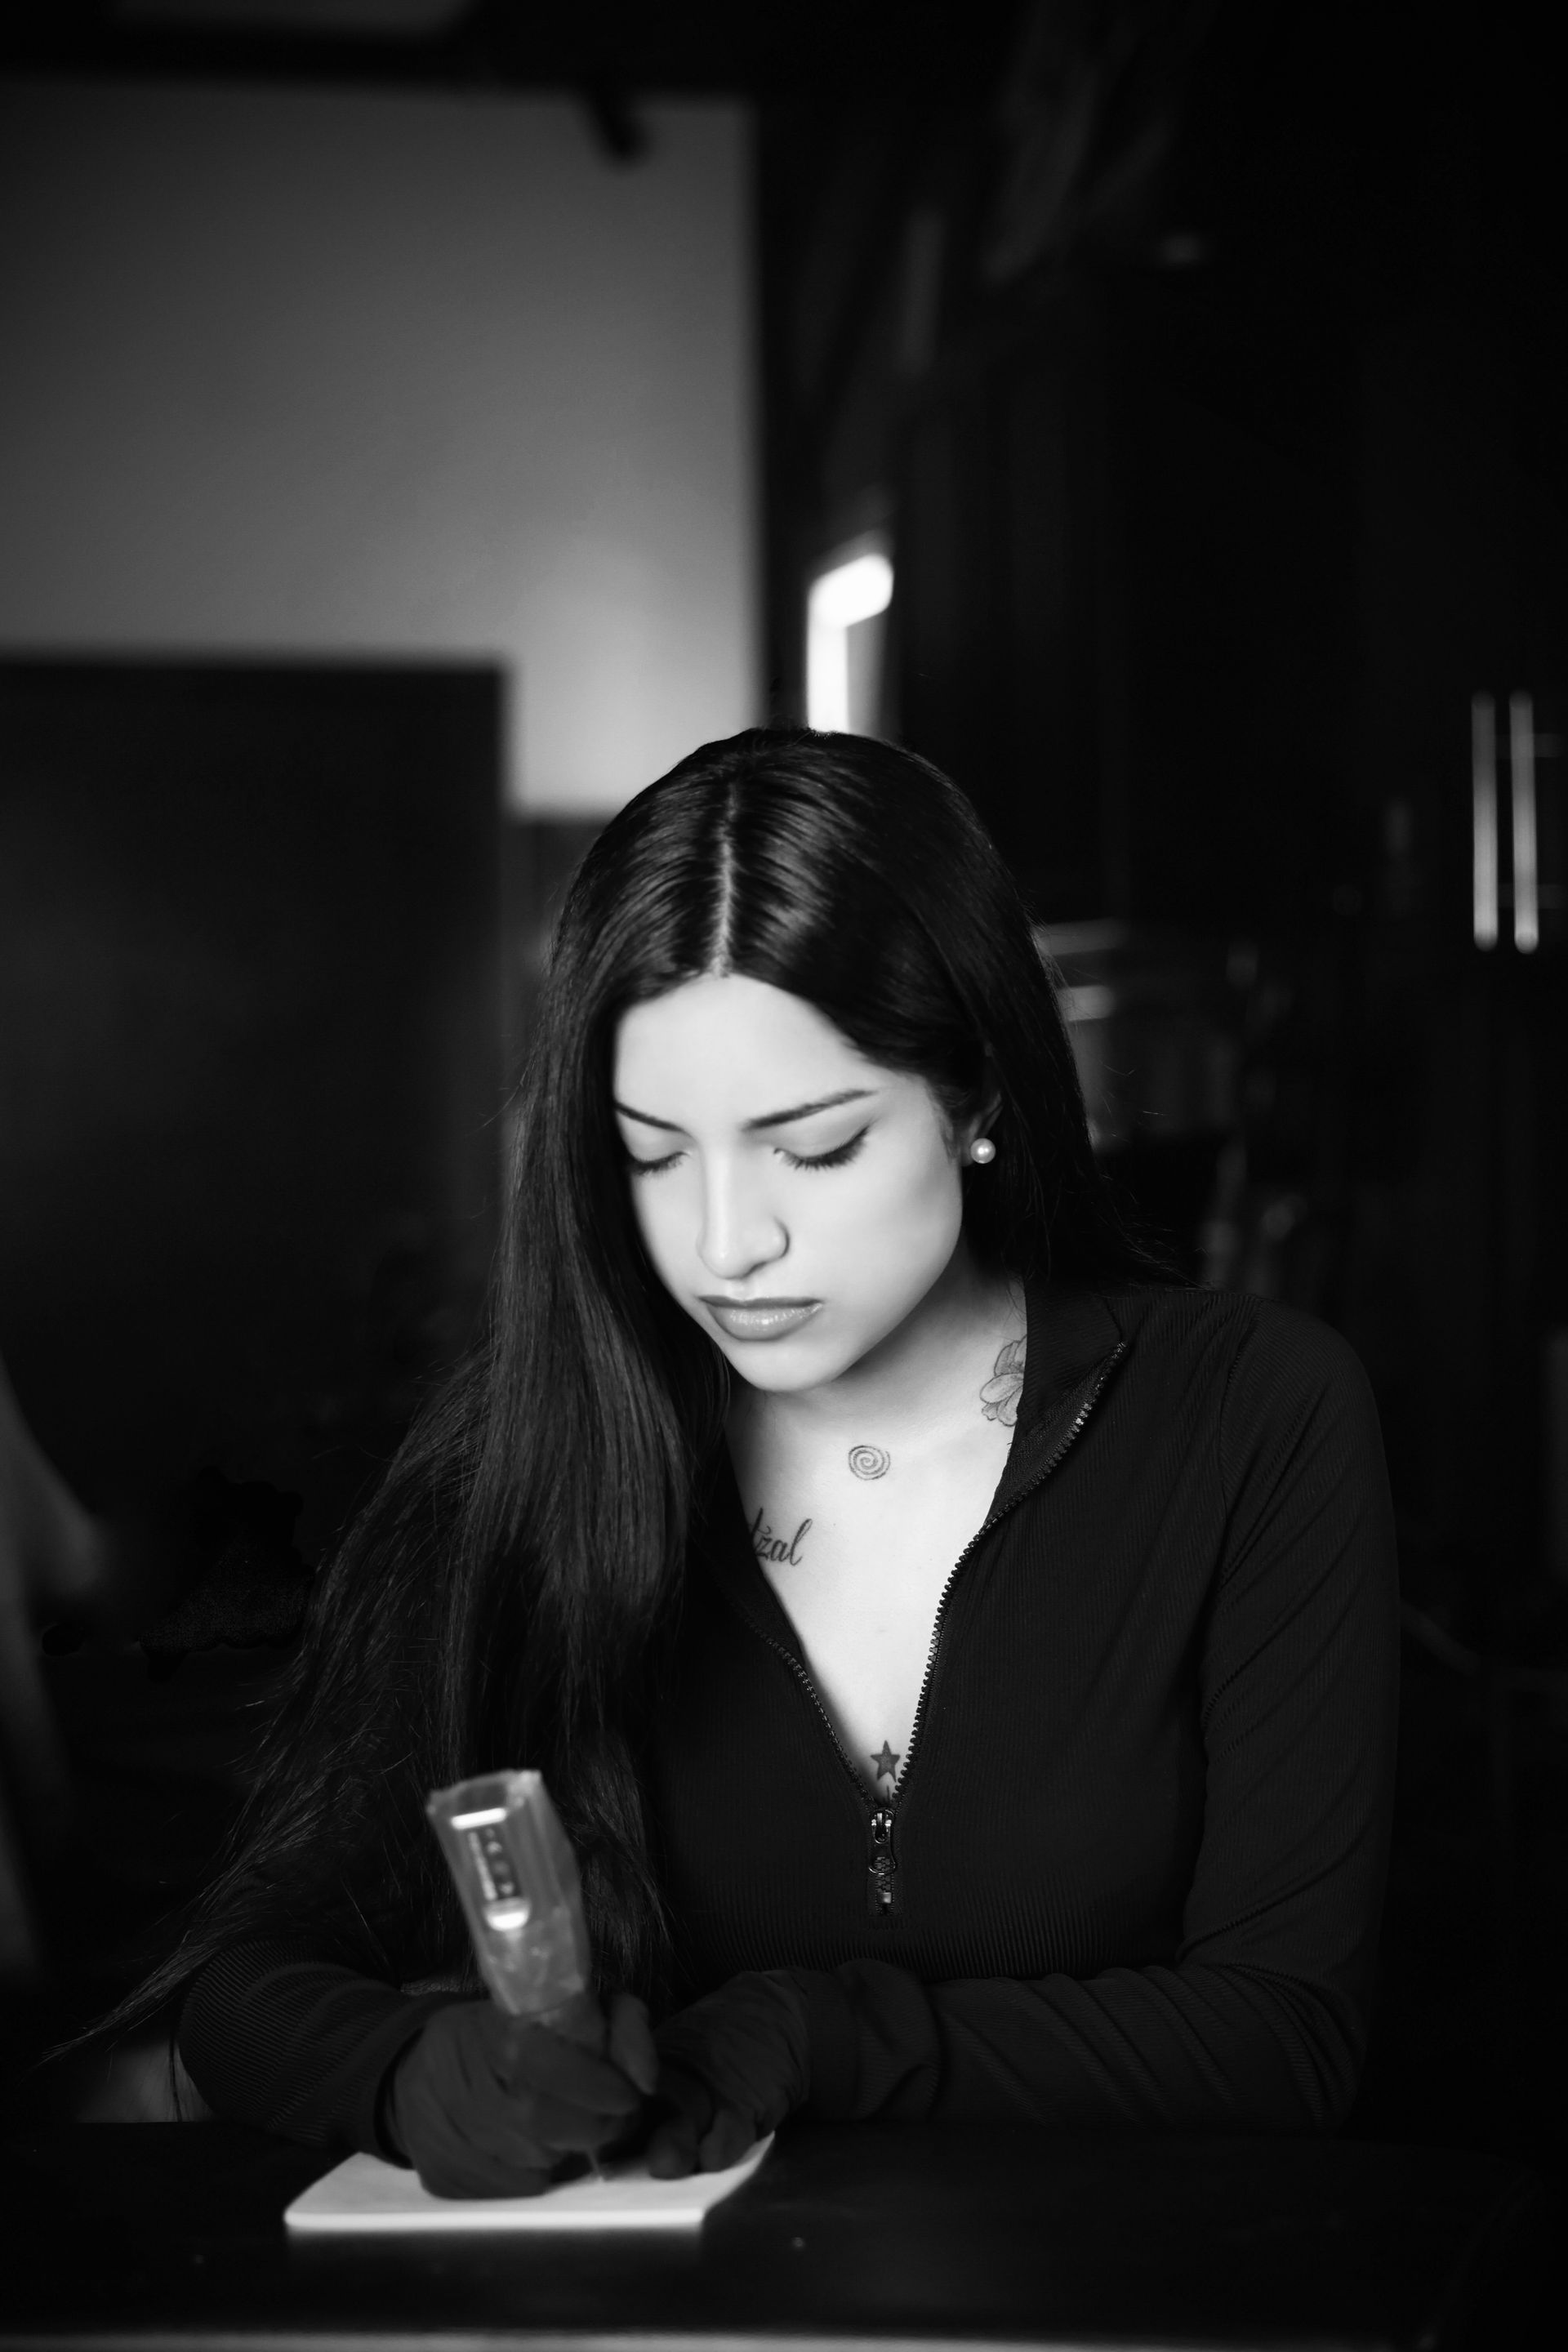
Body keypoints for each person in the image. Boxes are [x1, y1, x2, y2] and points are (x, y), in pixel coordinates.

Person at [114, 728, 1399, 2193]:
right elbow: (239, 1984)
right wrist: (406, 2072)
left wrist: (816, 2033)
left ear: (978, 1092)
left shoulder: (1253, 1418)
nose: (727, 1244)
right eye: (653, 1155)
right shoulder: (530, 1458)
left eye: (815, 1146)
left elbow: (1286, 2041)